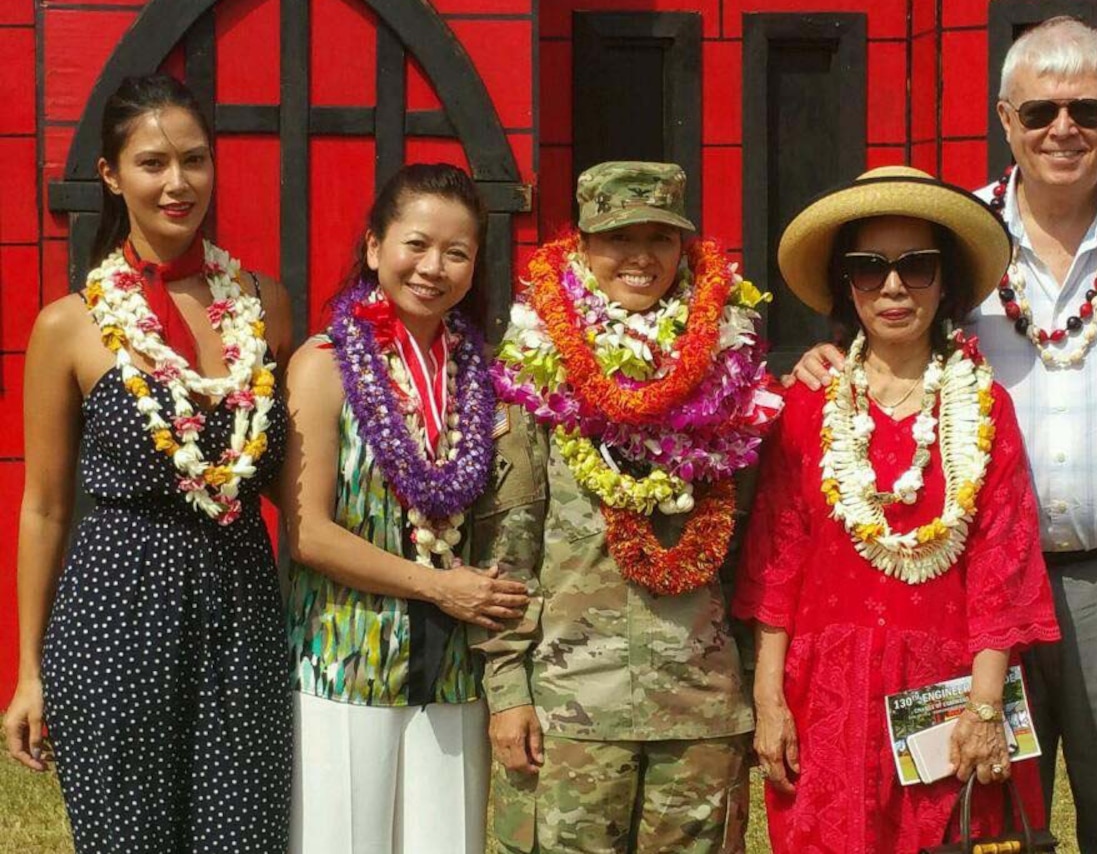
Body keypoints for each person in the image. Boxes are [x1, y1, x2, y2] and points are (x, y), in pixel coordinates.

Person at [789, 18, 1097, 854]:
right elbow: (889, 326)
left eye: (1087, 108)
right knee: (973, 823)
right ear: (1005, 118)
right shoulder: (951, 239)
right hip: (966, 594)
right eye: (1042, 109)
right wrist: (828, 359)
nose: (1064, 129)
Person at [3, 74, 293, 852]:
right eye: (152, 163)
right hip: (114, 611)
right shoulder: (70, 325)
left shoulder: (266, 303)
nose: (177, 183)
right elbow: (46, 507)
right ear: (110, 175)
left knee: (246, 835)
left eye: (194, 160)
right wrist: (28, 672)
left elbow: (299, 483)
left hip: (242, 608)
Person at [736, 165, 1060, 853]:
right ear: (843, 283)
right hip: (826, 698)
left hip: (949, 692)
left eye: (916, 266)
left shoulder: (984, 408)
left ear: (946, 283)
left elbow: (1003, 562)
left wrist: (983, 706)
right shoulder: (806, 408)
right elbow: (776, 561)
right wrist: (769, 701)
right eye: (867, 267)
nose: (892, 287)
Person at [479, 161, 781, 853]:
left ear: (686, 248)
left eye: (661, 237)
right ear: (582, 245)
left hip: (700, 710)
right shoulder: (537, 369)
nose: (642, 257)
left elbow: (754, 556)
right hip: (572, 706)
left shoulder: (730, 369)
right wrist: (508, 691)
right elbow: (509, 550)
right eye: (620, 237)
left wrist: (758, 696)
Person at [280, 163, 535, 854]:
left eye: (457, 253)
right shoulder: (324, 364)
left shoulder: (483, 376)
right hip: (345, 659)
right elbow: (308, 534)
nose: (434, 268)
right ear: (373, 248)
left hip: (453, 667)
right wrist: (438, 586)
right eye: (415, 245)